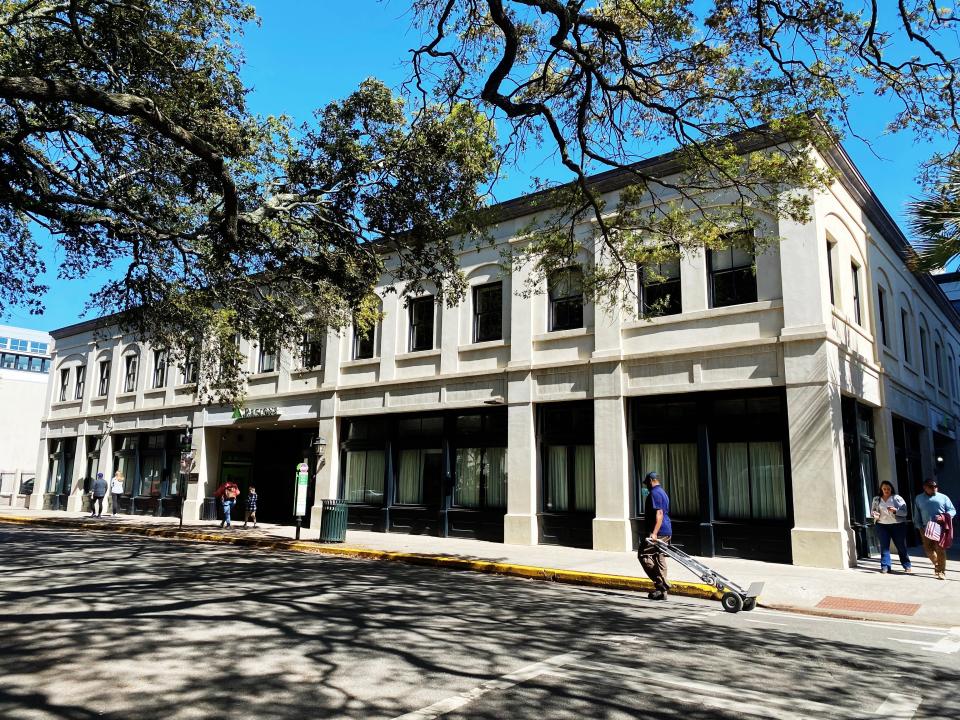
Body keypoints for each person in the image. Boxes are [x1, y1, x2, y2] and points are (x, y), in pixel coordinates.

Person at [912, 478, 956, 580]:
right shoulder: (919, 498)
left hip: (940, 527)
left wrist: (944, 517)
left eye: (935, 486)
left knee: (940, 549)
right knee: (928, 550)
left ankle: (941, 571)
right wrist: (918, 526)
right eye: (931, 486)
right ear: (925, 487)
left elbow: (952, 510)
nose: (934, 488)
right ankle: (937, 563)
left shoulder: (943, 498)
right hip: (925, 527)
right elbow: (917, 513)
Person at [638, 471, 672, 600]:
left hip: (660, 531)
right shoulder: (662, 492)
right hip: (666, 530)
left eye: (647, 483)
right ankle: (661, 592)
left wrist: (654, 533)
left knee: (643, 553)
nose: (646, 486)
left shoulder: (655, 493)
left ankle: (661, 583)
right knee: (659, 556)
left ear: (652, 481)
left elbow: (659, 514)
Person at [871, 481, 912, 574]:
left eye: (888, 489)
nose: (886, 490)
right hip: (881, 525)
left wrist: (895, 511)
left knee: (900, 546)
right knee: (884, 546)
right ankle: (885, 566)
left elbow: (905, 512)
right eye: (884, 489)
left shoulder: (897, 498)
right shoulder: (876, 499)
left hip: (897, 525)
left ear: (891, 489)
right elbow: (872, 511)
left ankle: (907, 565)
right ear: (881, 489)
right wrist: (874, 514)